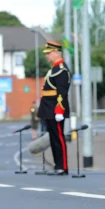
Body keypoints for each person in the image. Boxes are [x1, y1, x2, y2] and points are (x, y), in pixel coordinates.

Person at [38, 40, 72, 176]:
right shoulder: (55, 68)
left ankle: (63, 166)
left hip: (55, 109)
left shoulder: (62, 69)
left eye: (49, 53)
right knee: (53, 138)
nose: (47, 56)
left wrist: (59, 110)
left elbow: (62, 92)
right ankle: (58, 165)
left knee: (58, 138)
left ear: (57, 53)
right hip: (48, 107)